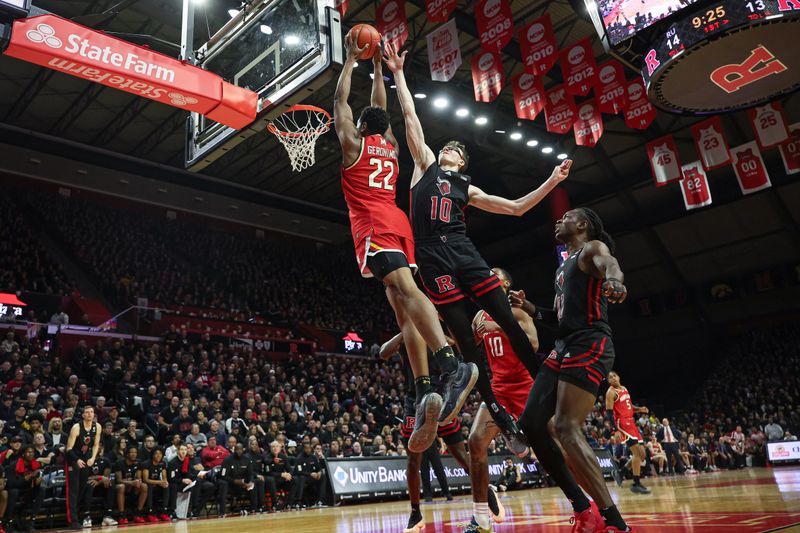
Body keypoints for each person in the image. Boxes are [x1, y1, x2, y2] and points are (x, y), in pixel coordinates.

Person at [383, 41, 570, 452]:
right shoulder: (424, 165)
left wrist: (553, 181)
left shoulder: (467, 187)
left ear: (463, 163)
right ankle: (502, 417)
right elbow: (410, 117)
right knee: (467, 347)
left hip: (462, 250)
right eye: (450, 145)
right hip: (430, 255)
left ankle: (546, 386)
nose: (452, 148)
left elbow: (518, 208)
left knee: (506, 316)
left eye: (459, 150)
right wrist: (397, 72)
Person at [333, 31, 477, 454]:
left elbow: (340, 104)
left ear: (359, 127)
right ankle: (424, 385)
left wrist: (348, 61)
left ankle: (450, 365)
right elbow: (379, 109)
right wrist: (376, 66)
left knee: (408, 294)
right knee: (400, 305)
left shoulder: (353, 145)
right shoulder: (390, 147)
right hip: (398, 222)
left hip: (375, 223)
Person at [513, 207, 631, 532]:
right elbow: (558, 318)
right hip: (564, 344)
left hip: (590, 342)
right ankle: (582, 506)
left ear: (581, 224)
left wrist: (614, 282)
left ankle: (612, 521)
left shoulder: (591, 248)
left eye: (564, 217)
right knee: (532, 422)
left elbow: (611, 265)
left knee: (565, 426)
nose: (557, 221)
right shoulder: (563, 267)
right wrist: (530, 309)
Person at [380, 334, 494, 533]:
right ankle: (415, 513)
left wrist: (446, 339)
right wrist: (403, 332)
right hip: (415, 401)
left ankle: (488, 494)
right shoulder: (406, 336)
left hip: (442, 397)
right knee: (413, 460)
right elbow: (383, 352)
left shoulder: (434, 334)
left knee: (460, 455)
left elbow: (461, 346)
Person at [465, 267, 538, 532]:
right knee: (475, 442)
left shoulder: (518, 312)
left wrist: (501, 325)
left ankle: (589, 504)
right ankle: (481, 518)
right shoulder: (478, 317)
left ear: (505, 284)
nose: (488, 278)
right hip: (499, 390)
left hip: (526, 386)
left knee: (557, 447)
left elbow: (533, 345)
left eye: (494, 275)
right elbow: (466, 346)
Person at [606, 371, 651, 494]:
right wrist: (615, 430)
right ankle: (636, 483)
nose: (613, 378)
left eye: (614, 376)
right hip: (622, 424)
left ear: (619, 377)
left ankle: (621, 472)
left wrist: (639, 409)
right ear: (609, 381)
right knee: (637, 454)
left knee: (642, 455)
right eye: (610, 378)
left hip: (631, 423)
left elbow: (629, 406)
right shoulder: (611, 393)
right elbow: (609, 413)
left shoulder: (624, 388)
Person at [65, 405, 101, 529]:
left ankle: (78, 516)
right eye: (87, 412)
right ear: (83, 415)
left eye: (92, 412)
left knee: (82, 488)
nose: (90, 414)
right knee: (73, 491)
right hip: (72, 459)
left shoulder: (97, 426)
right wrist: (77, 460)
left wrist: (93, 458)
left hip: (86, 459)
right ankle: (72, 520)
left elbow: (96, 445)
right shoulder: (76, 427)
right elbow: (68, 448)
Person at [4, 445, 44, 532]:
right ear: (23, 454)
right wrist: (28, 477)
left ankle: (31, 521)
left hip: (27, 492)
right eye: (29, 452)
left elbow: (36, 484)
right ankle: (9, 523)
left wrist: (38, 481)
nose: (31, 454)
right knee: (14, 491)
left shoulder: (35, 465)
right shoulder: (14, 465)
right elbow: (10, 484)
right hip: (15, 492)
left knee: (41, 489)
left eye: (32, 452)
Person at [219, 443, 257, 516]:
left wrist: (250, 482)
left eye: (240, 449)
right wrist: (235, 481)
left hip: (243, 483)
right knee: (223, 484)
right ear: (234, 450)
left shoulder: (247, 459)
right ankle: (222, 512)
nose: (238, 451)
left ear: (243, 450)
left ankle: (253, 509)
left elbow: (251, 474)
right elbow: (223, 476)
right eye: (237, 449)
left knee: (253, 484)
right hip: (231, 483)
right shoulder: (227, 460)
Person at [114, 446, 147, 524]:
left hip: (132, 486)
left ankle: (138, 513)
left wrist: (138, 481)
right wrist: (131, 483)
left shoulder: (138, 462)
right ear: (127, 454)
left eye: (135, 452)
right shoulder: (119, 463)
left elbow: (139, 478)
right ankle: (122, 515)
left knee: (144, 486)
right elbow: (118, 480)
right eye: (132, 452)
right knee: (122, 487)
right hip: (119, 487)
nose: (134, 454)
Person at [142, 448, 171, 522]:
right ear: (152, 455)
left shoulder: (162, 463)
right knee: (150, 487)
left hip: (157, 484)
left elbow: (164, 478)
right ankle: (150, 513)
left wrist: (165, 482)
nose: (158, 456)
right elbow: (145, 479)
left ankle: (164, 511)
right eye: (156, 453)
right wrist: (159, 482)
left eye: (160, 454)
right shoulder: (146, 464)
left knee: (166, 487)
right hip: (147, 485)